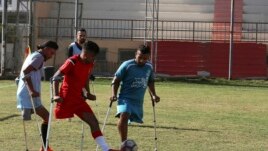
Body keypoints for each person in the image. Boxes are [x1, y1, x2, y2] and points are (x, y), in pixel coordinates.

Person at [52, 40, 119, 151]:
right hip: (66, 99)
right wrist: (55, 95)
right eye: (93, 56)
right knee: (56, 125)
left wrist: (87, 93)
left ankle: (106, 149)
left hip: (78, 99)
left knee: (94, 122)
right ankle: (45, 145)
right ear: (86, 54)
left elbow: (86, 78)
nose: (94, 59)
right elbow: (56, 76)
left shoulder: (90, 63)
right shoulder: (72, 61)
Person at [110, 45, 160, 142]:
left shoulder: (149, 67)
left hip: (138, 100)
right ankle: (124, 143)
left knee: (126, 117)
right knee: (124, 115)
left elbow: (150, 81)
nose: (142, 60)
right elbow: (116, 80)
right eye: (140, 57)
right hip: (125, 98)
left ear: (148, 57)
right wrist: (114, 94)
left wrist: (154, 95)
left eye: (145, 58)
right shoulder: (127, 65)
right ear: (135, 55)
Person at [16, 40, 59, 151]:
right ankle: (45, 148)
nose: (52, 56)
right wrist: (31, 90)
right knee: (47, 117)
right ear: (46, 49)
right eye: (52, 53)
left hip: (27, 93)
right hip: (29, 94)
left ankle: (45, 147)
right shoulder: (39, 57)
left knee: (40, 117)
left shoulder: (35, 55)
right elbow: (26, 72)